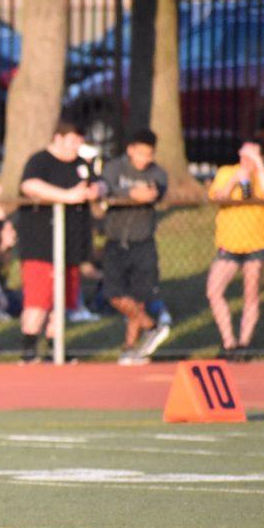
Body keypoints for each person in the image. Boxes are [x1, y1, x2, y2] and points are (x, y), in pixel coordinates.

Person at [17, 122, 100, 363]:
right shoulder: (39, 161)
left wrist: (96, 190)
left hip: (71, 243)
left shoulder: (80, 164)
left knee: (61, 300)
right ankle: (29, 348)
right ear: (58, 138)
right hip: (42, 244)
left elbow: (97, 183)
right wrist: (66, 197)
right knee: (38, 299)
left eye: (79, 142)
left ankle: (56, 347)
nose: (77, 146)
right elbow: (29, 185)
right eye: (73, 141)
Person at [98, 129, 170, 364]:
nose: (144, 159)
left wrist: (145, 195)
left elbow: (155, 193)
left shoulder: (157, 172)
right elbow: (106, 189)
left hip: (142, 241)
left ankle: (130, 348)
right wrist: (131, 193)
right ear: (130, 150)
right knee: (114, 295)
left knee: (138, 297)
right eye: (140, 153)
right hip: (116, 240)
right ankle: (152, 327)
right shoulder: (114, 168)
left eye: (149, 154)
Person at [206, 136, 264, 359]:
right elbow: (218, 196)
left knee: (251, 294)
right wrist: (235, 180)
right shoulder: (227, 172)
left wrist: (258, 163)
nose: (246, 159)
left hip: (255, 244)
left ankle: (244, 345)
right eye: (244, 155)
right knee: (214, 290)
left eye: (252, 155)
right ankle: (229, 342)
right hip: (229, 243)